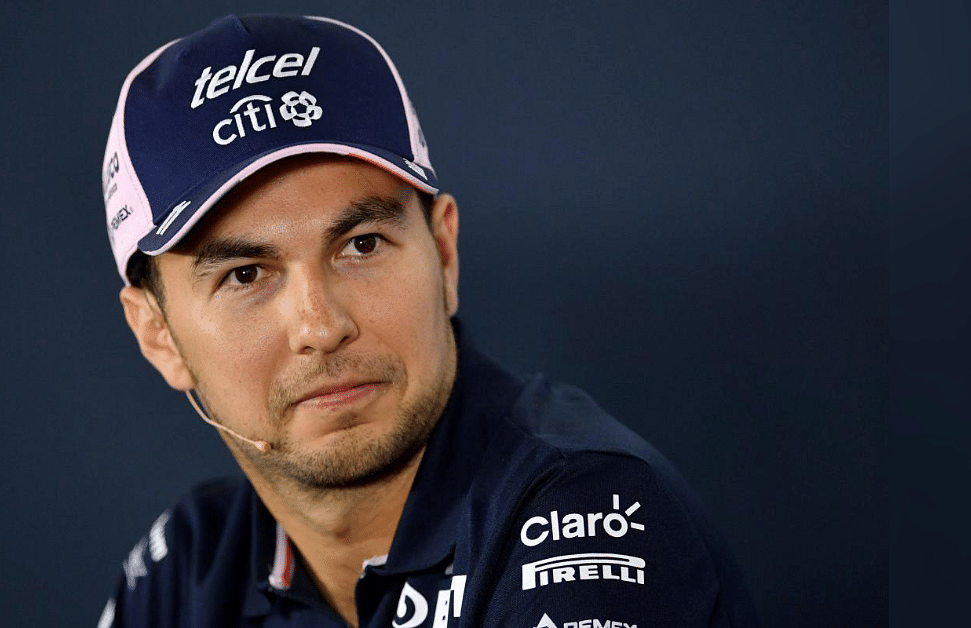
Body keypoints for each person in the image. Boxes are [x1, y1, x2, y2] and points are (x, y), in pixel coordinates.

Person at [97, 13, 759, 628]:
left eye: (361, 246)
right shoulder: (185, 570)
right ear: (158, 333)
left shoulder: (593, 515)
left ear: (443, 255)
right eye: (245, 275)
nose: (321, 327)